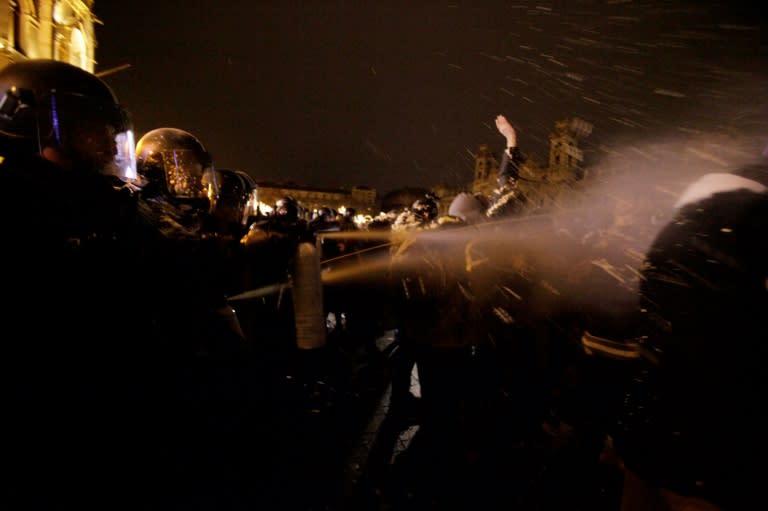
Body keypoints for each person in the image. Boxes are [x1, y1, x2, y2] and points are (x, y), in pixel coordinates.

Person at [0, 58, 162, 508]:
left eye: (109, 128)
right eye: (88, 126)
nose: (108, 140)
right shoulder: (20, 206)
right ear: (30, 125)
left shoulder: (105, 203)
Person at [609, 160, 768, 511]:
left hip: (651, 435)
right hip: (712, 452)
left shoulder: (678, 233)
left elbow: (653, 336)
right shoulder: (749, 233)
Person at [486, 114, 529, 218]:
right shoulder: (492, 216)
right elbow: (506, 188)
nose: (488, 196)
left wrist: (511, 138)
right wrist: (511, 138)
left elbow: (505, 184)